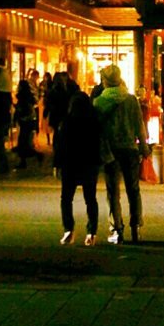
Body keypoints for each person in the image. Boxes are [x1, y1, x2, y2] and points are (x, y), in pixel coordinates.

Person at [93, 64, 150, 244]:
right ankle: (136, 227)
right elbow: (139, 126)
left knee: (113, 192)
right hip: (130, 150)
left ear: (105, 81)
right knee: (133, 190)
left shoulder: (99, 102)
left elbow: (98, 131)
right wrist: (144, 147)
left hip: (110, 152)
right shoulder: (131, 99)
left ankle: (117, 229)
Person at [56, 91, 103, 246]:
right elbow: (98, 144)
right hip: (89, 164)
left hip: (70, 164)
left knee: (66, 198)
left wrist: (57, 165)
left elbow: (60, 146)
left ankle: (68, 229)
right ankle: (91, 232)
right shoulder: (93, 121)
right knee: (90, 199)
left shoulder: (67, 122)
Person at [13, 78, 43, 168]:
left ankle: (33, 156)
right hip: (29, 121)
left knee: (23, 141)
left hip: (25, 120)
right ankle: (24, 160)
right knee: (24, 141)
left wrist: (17, 111)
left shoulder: (22, 96)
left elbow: (22, 108)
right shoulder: (29, 96)